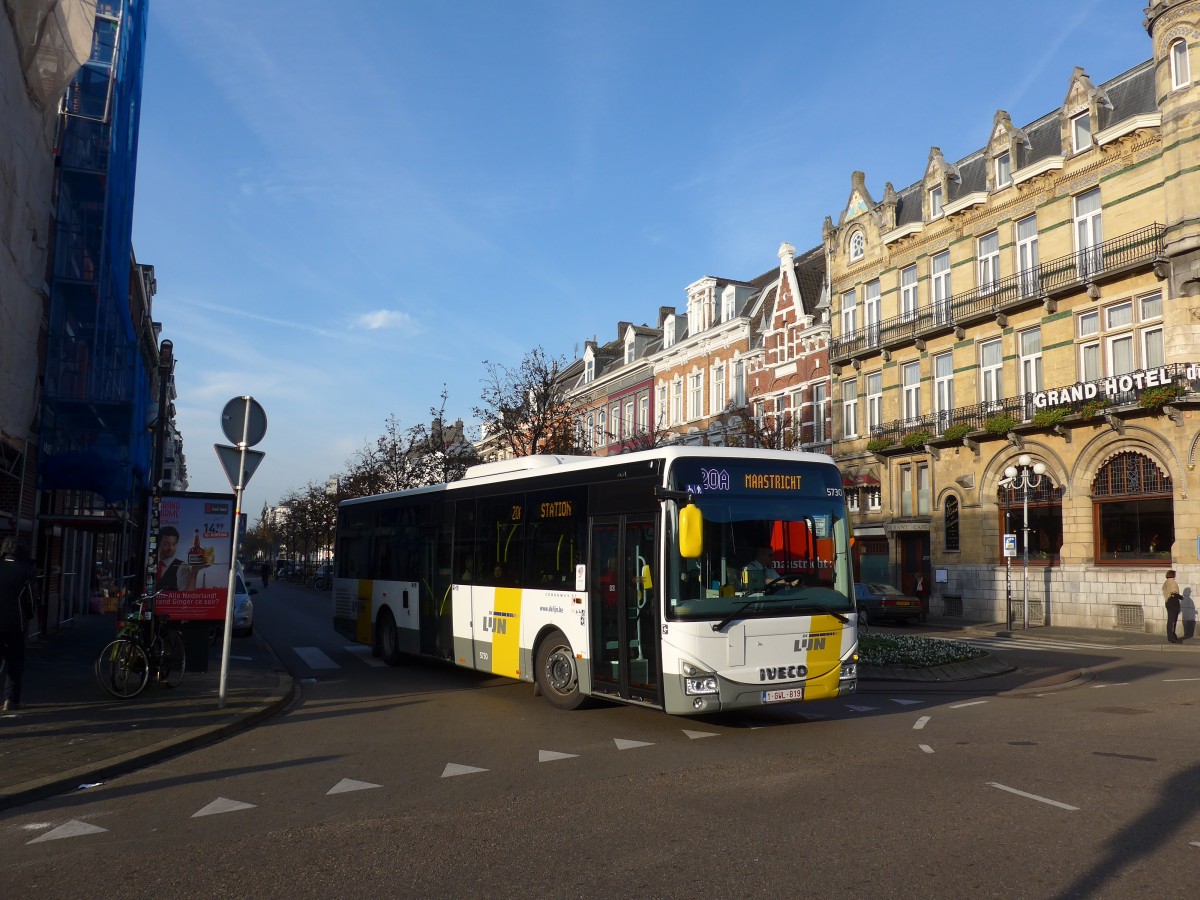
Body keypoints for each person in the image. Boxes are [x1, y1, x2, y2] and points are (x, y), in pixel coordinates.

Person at [1, 536, 37, 713]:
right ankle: (10, 700)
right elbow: (30, 599)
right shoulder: (26, 570)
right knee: (15, 660)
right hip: (16, 623)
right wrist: (29, 616)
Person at [155, 526, 197, 591]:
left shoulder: (182, 566)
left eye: (173, 544)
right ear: (159, 544)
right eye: (166, 544)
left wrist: (194, 571)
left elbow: (186, 595)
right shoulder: (150, 562)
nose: (170, 548)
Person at [1163, 569, 1183, 643]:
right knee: (1173, 620)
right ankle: (1172, 637)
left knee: (1170, 620)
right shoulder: (1172, 582)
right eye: (1175, 574)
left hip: (1168, 602)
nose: (1175, 576)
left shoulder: (1166, 582)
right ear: (1172, 575)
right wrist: (1181, 597)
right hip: (1173, 602)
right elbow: (1174, 593)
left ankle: (1171, 636)